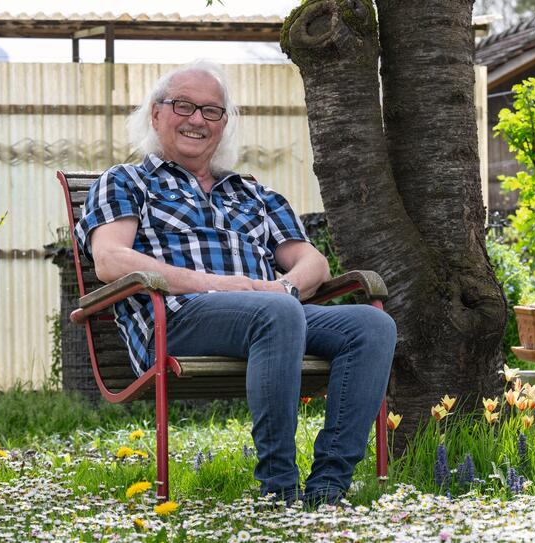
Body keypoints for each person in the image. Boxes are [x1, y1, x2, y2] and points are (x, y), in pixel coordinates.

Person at [74, 60, 396, 507]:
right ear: (155, 114)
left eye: (211, 111)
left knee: (372, 325)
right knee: (277, 313)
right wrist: (221, 285)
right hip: (178, 319)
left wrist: (282, 289)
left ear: (224, 125)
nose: (197, 120)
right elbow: (111, 259)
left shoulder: (252, 193)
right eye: (183, 105)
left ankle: (328, 487)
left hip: (268, 313)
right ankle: (278, 487)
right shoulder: (125, 181)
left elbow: (311, 261)